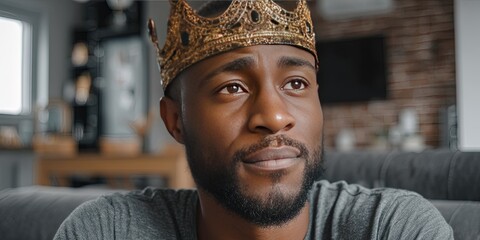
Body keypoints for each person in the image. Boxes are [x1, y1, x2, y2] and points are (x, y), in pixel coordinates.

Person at [54, 0, 453, 239]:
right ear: (175, 121)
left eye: (296, 83)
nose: (274, 116)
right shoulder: (106, 230)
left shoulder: (393, 228)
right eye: (232, 88)